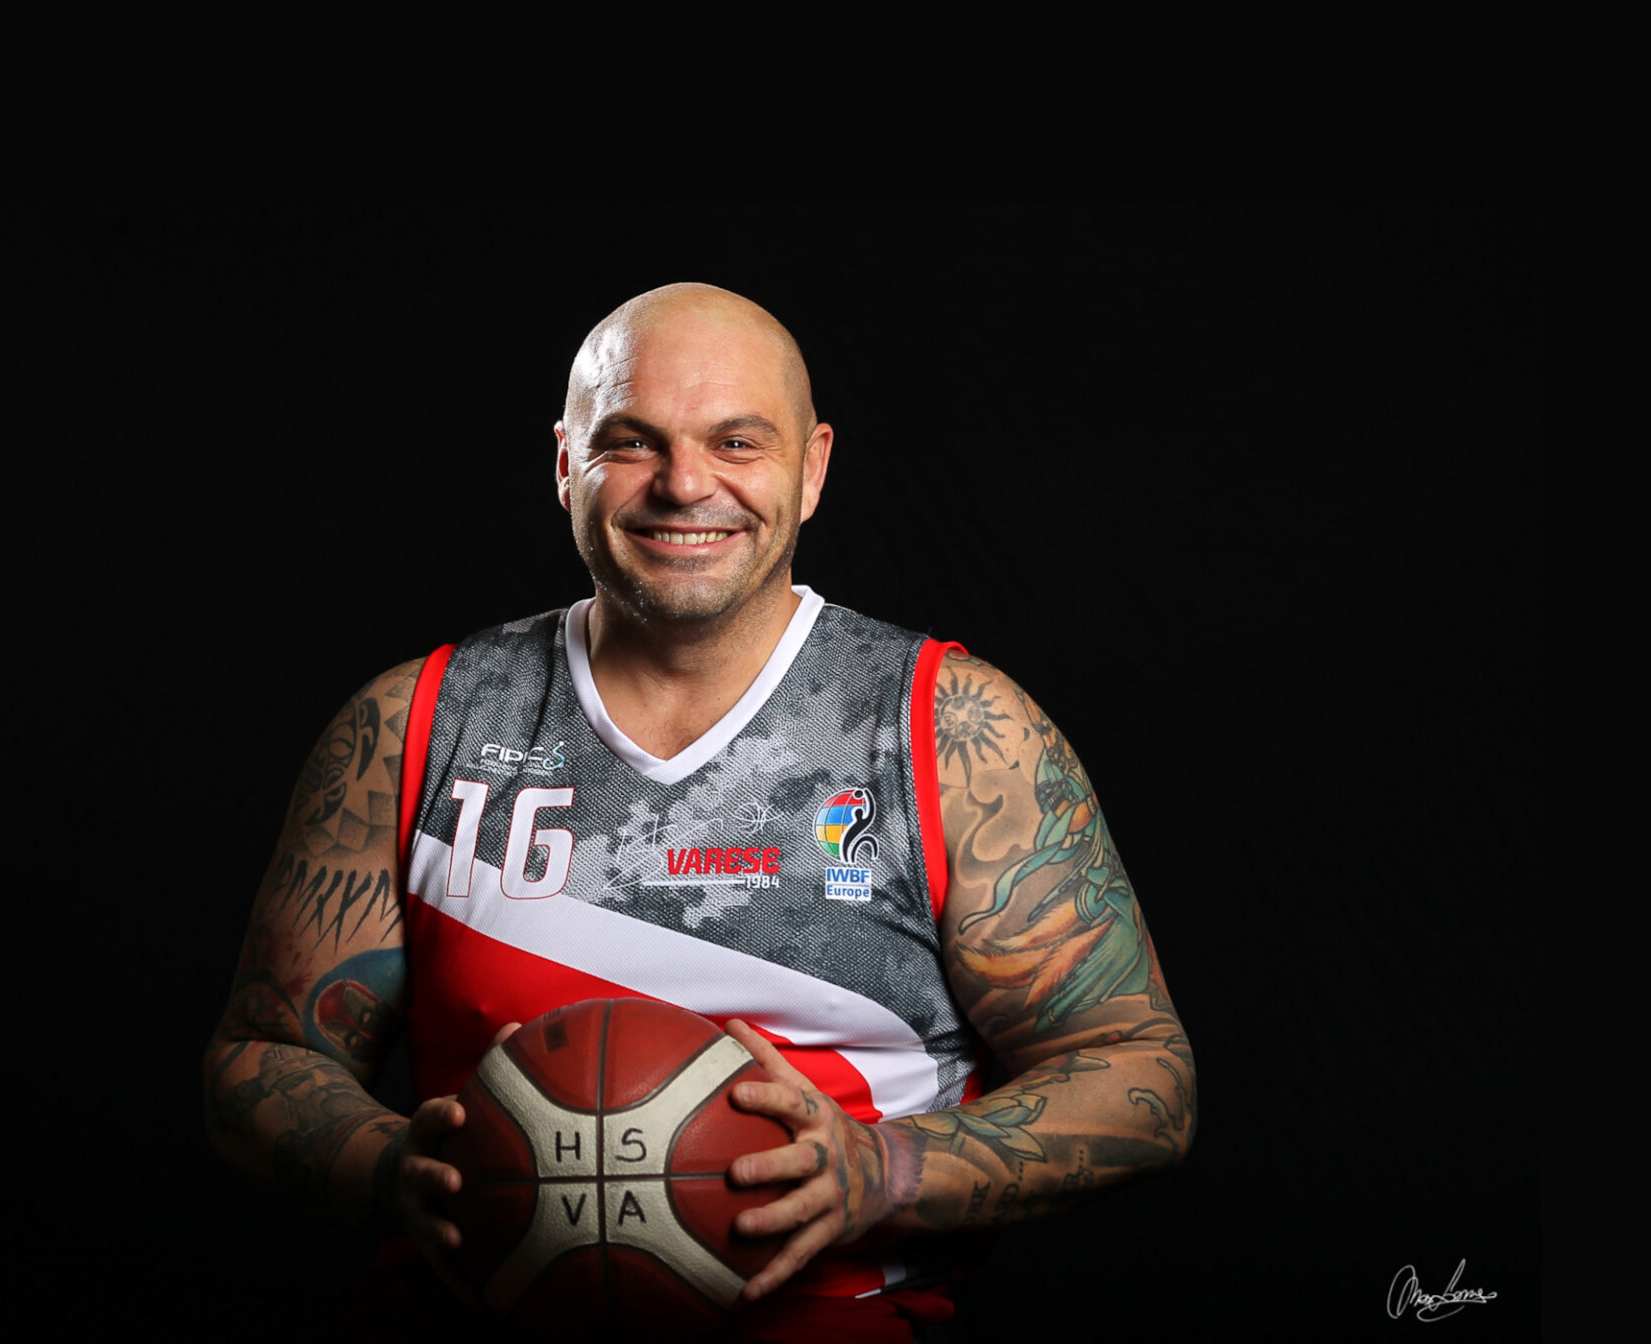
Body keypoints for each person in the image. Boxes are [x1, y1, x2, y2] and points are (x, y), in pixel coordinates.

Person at [204, 283, 1195, 1337]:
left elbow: (1141, 1073)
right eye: (632, 442)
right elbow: (264, 1056)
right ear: (565, 465)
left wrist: (882, 1168)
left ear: (811, 469)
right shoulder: (417, 726)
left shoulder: (950, 734)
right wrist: (394, 1167)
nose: (685, 485)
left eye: (736, 442)